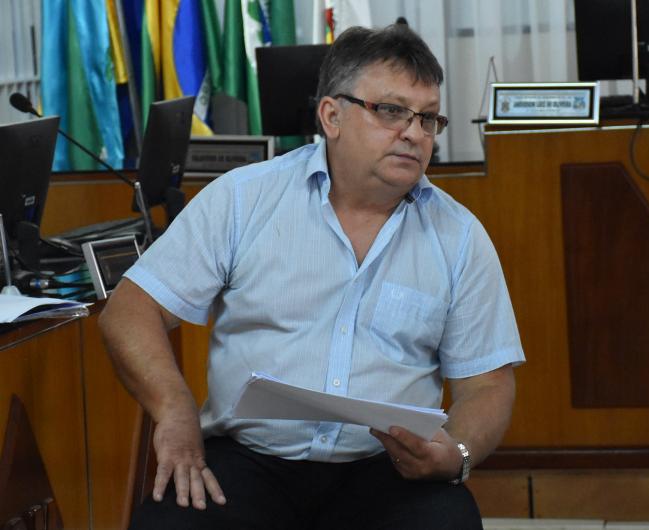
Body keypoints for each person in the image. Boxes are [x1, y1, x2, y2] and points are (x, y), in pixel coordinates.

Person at [99, 23, 525, 530]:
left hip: (387, 469)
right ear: (331, 116)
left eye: (428, 118)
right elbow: (129, 311)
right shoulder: (244, 199)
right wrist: (174, 408)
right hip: (247, 460)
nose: (414, 133)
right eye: (392, 111)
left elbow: (488, 383)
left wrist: (455, 453)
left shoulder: (458, 235)